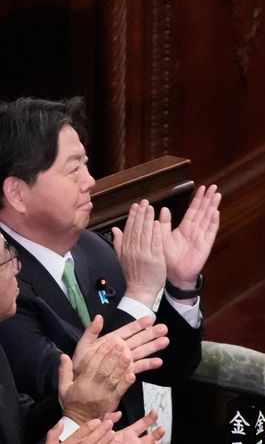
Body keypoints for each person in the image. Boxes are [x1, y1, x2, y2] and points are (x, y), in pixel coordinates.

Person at [0, 97, 221, 428]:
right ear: (17, 194)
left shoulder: (94, 247)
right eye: (74, 170)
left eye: (85, 166)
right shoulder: (6, 285)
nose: (89, 181)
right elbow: (69, 392)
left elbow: (170, 367)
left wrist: (180, 285)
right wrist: (141, 294)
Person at [0, 232, 166, 443]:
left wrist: (78, 395)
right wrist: (79, 417)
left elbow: (19, 428)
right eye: (7, 256)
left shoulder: (96, 248)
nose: (17, 267)